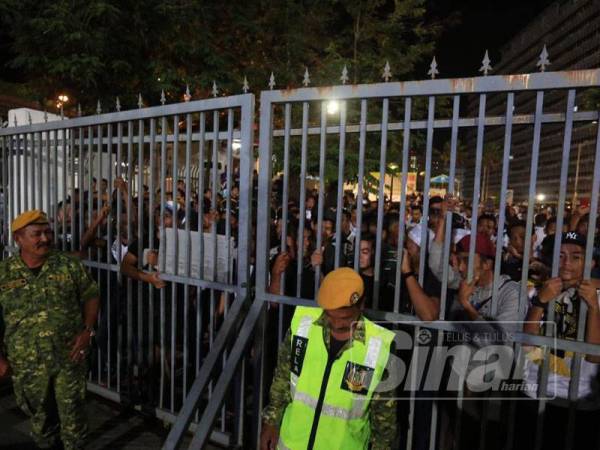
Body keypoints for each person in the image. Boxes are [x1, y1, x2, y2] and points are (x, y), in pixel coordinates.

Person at [261, 267, 397, 450]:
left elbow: (384, 412)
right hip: (292, 443)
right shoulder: (303, 326)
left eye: (346, 317)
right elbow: (283, 377)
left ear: (361, 304)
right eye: (331, 316)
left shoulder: (379, 346)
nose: (337, 324)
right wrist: (271, 421)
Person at [0, 210, 100, 450]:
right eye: (37, 234)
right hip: (27, 363)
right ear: (18, 238)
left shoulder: (68, 265)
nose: (45, 239)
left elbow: (91, 295)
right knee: (41, 419)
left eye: (48, 232)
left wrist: (87, 330)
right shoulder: (4, 273)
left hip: (69, 357)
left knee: (73, 419)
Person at [518, 231, 600, 449]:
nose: (566, 264)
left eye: (576, 257)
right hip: (534, 391)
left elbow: (594, 356)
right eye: (560, 256)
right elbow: (526, 345)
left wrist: (593, 306)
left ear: (590, 262)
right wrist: (540, 302)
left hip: (579, 399)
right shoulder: (534, 292)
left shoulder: (598, 298)